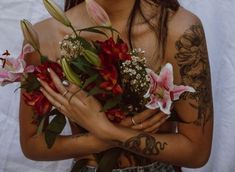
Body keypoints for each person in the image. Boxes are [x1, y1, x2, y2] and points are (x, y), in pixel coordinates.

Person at [19, 0, 213, 171]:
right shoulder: (44, 37)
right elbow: (32, 144)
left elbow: (197, 152)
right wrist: (100, 139)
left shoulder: (180, 30)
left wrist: (106, 130)